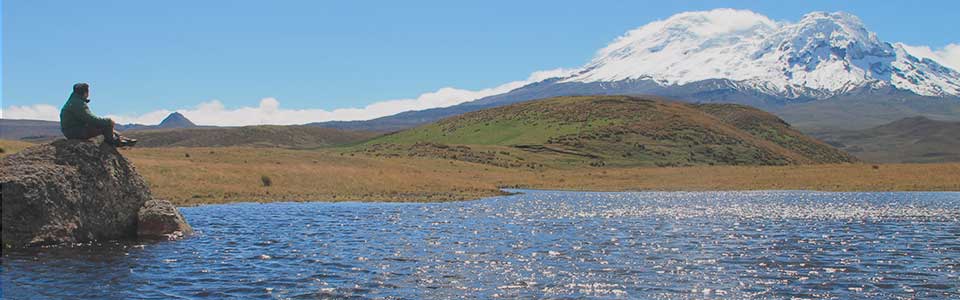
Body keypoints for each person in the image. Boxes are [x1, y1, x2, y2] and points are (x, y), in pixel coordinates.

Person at [60, 83, 136, 147]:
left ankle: (122, 139)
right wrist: (108, 121)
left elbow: (87, 118)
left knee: (103, 125)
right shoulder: (78, 103)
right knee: (106, 125)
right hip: (75, 131)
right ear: (85, 93)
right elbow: (90, 119)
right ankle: (114, 142)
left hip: (72, 130)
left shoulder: (74, 101)